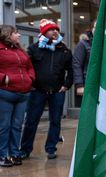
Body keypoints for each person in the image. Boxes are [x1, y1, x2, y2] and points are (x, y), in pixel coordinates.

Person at [20, 19, 73, 159]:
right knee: (31, 121)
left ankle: (51, 148)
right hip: (37, 91)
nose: (55, 31)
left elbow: (71, 70)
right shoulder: (33, 49)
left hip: (57, 92)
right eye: (51, 29)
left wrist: (66, 85)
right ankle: (25, 149)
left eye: (56, 29)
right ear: (44, 32)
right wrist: (30, 83)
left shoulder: (64, 50)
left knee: (55, 121)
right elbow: (25, 67)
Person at [0, 25, 35, 167]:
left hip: (23, 94)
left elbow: (30, 67)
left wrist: (30, 79)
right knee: (4, 126)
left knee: (17, 126)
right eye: (16, 33)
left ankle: (14, 153)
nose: (19, 35)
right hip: (5, 93)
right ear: (7, 34)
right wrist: (3, 78)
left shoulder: (20, 50)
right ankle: (3, 155)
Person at [73, 21, 95, 107]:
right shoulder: (83, 43)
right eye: (95, 27)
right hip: (87, 84)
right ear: (91, 29)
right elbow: (76, 64)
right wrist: (79, 85)